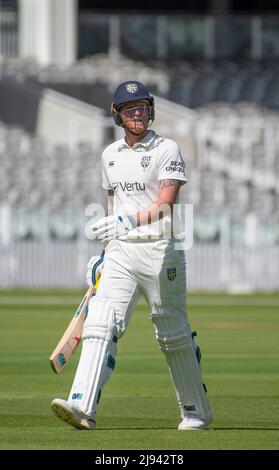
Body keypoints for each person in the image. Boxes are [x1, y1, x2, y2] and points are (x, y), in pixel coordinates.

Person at [51, 80, 213, 430]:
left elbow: (166, 205)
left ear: (150, 110)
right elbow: (113, 206)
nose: (137, 113)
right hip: (122, 252)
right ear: (118, 115)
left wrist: (125, 222)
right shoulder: (109, 155)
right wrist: (104, 253)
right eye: (130, 108)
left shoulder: (166, 149)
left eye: (142, 106)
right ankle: (82, 406)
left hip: (160, 251)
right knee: (99, 323)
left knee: (171, 333)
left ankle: (195, 411)